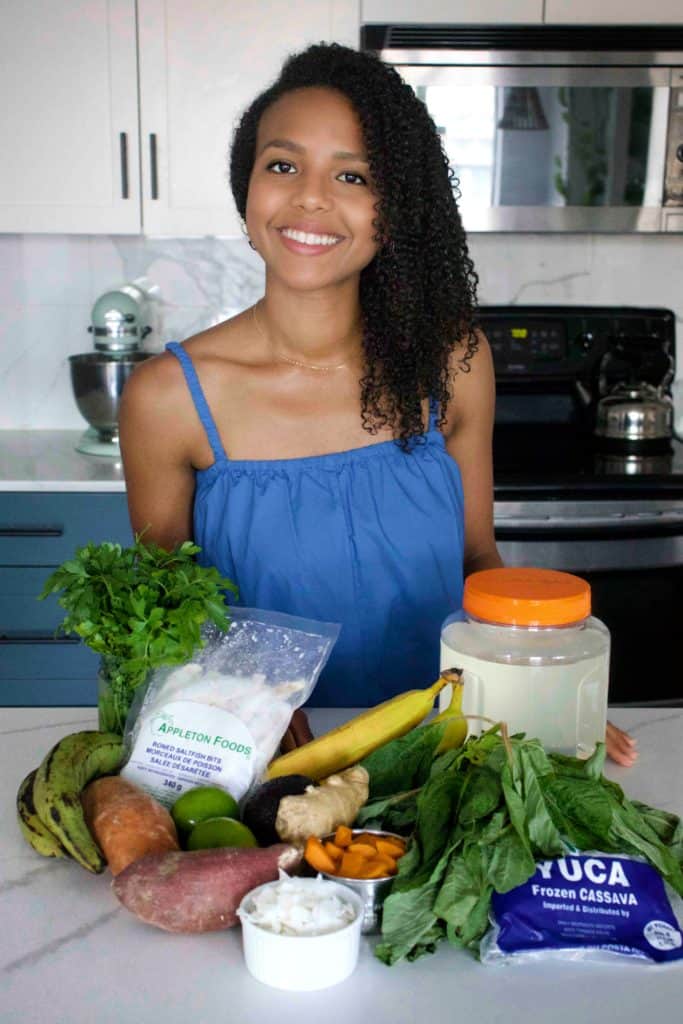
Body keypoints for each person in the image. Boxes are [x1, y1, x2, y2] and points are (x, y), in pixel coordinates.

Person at [119, 43, 636, 766]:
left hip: (448, 746)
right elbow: (163, 613)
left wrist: (544, 691)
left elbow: (475, 557)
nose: (310, 197)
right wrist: (237, 692)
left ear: (391, 214)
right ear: (247, 191)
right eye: (282, 164)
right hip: (259, 760)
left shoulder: (452, 362)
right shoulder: (168, 397)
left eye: (353, 175)